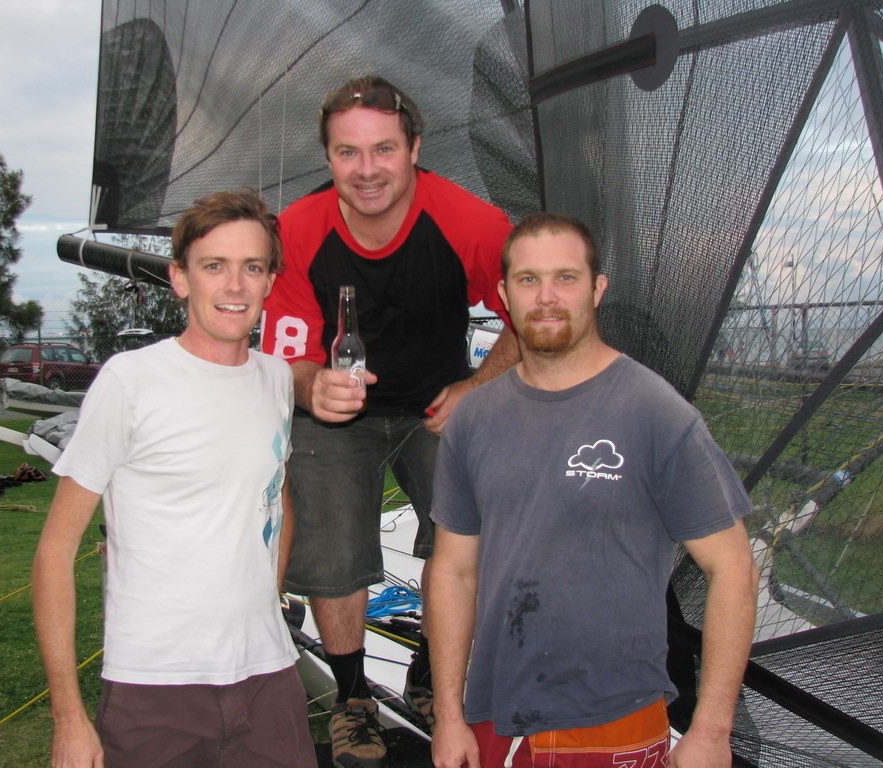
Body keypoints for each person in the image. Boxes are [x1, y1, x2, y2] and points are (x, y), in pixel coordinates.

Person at [428, 212, 760, 768]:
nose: (547, 297)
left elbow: (734, 570)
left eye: (566, 278)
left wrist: (710, 731)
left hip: (612, 719)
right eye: (529, 280)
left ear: (598, 289)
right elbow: (453, 571)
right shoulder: (474, 420)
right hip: (494, 714)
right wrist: (448, 714)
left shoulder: (655, 412)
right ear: (504, 296)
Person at [260, 74, 520, 767]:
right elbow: (282, 362)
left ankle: (435, 677)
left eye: (383, 150)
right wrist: (313, 385)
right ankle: (352, 700)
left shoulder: (470, 221)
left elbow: (534, 313)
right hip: (339, 411)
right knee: (329, 537)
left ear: (414, 149)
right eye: (348, 153)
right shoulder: (296, 231)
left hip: (435, 405)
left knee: (471, 532)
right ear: (328, 158)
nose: (367, 170)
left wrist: (477, 387)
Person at [32, 189, 317, 768]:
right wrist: (69, 718)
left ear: (269, 282)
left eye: (252, 267)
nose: (234, 286)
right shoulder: (130, 381)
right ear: (181, 278)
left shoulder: (276, 381)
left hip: (268, 678)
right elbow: (55, 553)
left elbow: (277, 496)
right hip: (152, 687)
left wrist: (269, 593)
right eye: (214, 266)